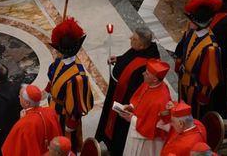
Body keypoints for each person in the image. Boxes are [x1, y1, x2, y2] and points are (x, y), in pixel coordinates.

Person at [94, 27, 162, 155]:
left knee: (119, 129)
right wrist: (119, 60)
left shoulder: (149, 63)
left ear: (142, 45)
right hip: (117, 93)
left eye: (134, 38)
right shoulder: (139, 49)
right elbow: (131, 57)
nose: (130, 39)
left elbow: (138, 86)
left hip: (125, 99)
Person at [48, 18, 94, 150]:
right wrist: (45, 92)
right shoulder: (59, 62)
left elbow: (77, 109)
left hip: (65, 118)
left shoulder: (78, 77)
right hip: (53, 110)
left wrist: (70, 127)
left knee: (64, 147)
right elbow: (52, 80)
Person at [176, 0, 224, 117]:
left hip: (195, 88)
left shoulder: (211, 47)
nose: (189, 22)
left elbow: (209, 77)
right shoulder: (191, 32)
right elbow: (181, 51)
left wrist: (203, 94)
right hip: (183, 82)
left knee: (193, 116)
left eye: (192, 20)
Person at [115, 59, 172, 156]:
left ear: (155, 79)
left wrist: (132, 119)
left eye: (147, 73)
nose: (143, 74)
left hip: (146, 141)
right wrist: (131, 106)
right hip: (136, 128)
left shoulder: (160, 101)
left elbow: (151, 126)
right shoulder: (149, 83)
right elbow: (139, 98)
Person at [1, 85, 63, 155]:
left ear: (27, 103)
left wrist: (23, 118)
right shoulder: (51, 112)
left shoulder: (23, 123)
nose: (18, 97)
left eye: (20, 96)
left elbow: (12, 150)